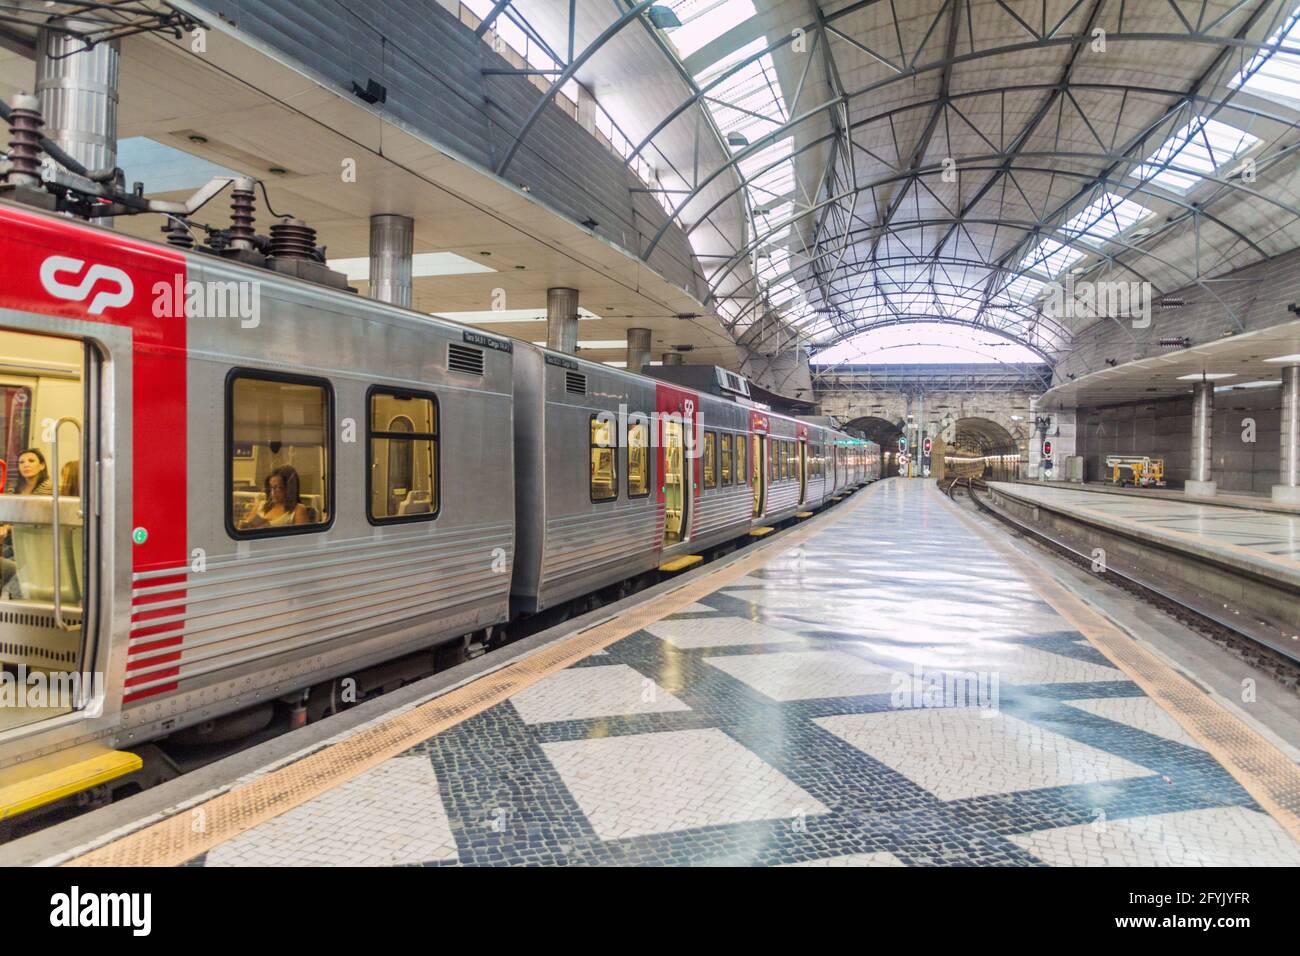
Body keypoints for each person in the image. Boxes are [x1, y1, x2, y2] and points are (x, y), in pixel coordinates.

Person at [1, 448, 55, 595]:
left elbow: (34, 519)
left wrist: (10, 527)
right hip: (14, 543)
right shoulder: (15, 489)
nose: (26, 465)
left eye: (31, 461)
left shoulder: (47, 488)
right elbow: (8, 516)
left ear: (42, 465)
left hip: (35, 545)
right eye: (21, 462)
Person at [239, 465, 315, 529]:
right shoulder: (261, 505)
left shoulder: (298, 509)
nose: (273, 493)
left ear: (289, 488)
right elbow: (245, 527)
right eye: (271, 488)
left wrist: (269, 527)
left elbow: (302, 540)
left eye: (278, 488)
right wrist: (244, 525)